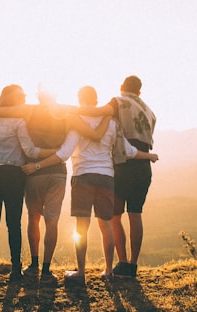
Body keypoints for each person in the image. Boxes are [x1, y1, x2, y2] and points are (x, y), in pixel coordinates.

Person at [21, 86, 158, 283]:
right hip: (106, 177)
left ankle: (81, 273)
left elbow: (65, 153)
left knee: (81, 227)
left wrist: (38, 165)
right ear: (96, 101)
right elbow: (128, 150)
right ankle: (109, 271)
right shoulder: (111, 122)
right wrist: (149, 156)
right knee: (107, 225)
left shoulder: (76, 121)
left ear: (79, 99)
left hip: (82, 176)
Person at [0, 88, 109, 284]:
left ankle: (34, 265)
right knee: (52, 221)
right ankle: (46, 270)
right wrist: (108, 111)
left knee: (33, 217)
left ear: (38, 95)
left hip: (33, 172)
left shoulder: (29, 110)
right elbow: (93, 125)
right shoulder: (67, 112)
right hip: (57, 172)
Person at [76, 75, 157, 278]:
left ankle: (120, 263)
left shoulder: (118, 101)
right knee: (136, 213)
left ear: (122, 87)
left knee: (115, 215)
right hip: (143, 164)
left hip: (123, 163)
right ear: (140, 92)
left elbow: (98, 112)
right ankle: (132, 264)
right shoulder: (149, 111)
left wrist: (70, 112)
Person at [0, 84, 56, 282]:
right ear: (12, 99)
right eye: (21, 96)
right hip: (13, 175)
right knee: (13, 223)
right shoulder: (19, 122)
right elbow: (30, 151)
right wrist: (54, 152)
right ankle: (16, 270)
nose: (24, 98)